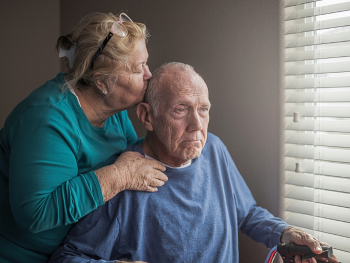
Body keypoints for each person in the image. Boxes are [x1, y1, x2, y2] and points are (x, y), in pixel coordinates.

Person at [49, 62, 339, 263]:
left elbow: (247, 213)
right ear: (147, 117)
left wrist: (285, 234)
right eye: (180, 110)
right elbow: (67, 257)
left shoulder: (214, 148)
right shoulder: (124, 179)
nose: (197, 125)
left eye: (203, 109)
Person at [0, 12, 169, 263]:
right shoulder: (46, 119)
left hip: (84, 250)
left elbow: (136, 164)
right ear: (101, 81)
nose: (149, 75)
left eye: (146, 63)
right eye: (137, 68)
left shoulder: (115, 113)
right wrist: (119, 176)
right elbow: (36, 214)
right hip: (28, 255)